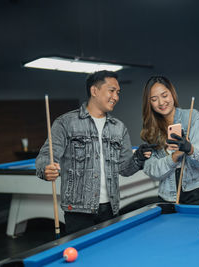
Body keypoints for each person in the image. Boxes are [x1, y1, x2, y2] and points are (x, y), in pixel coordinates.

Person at [36, 70, 153, 234]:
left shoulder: (119, 128)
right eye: (111, 91)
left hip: (110, 209)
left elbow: (125, 169)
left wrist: (139, 157)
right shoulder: (66, 123)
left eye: (118, 92)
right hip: (78, 211)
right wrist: (46, 169)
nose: (116, 97)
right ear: (94, 91)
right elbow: (45, 157)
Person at [140, 75, 199, 205]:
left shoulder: (193, 117)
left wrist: (189, 149)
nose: (161, 102)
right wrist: (174, 157)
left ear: (172, 93)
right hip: (169, 197)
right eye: (154, 99)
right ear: (149, 103)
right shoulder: (150, 129)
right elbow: (152, 171)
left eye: (164, 95)